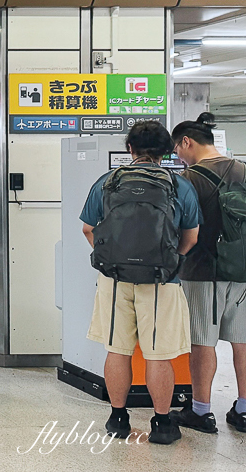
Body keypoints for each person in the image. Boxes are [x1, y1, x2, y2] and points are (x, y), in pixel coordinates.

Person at [80, 120, 199, 444]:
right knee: (159, 354)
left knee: (117, 349)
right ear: (166, 151)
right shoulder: (179, 185)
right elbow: (191, 236)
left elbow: (88, 228)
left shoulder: (108, 182)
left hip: (115, 279)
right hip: (163, 280)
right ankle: (161, 424)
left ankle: (118, 419)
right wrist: (170, 260)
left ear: (129, 149)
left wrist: (112, 256)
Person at [170, 113, 246, 434]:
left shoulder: (189, 178)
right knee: (242, 341)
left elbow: (179, 226)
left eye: (177, 149)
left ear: (187, 142)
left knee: (203, 340)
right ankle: (243, 409)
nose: (177, 156)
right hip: (241, 267)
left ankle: (201, 411)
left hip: (203, 269)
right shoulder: (243, 169)